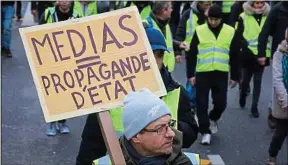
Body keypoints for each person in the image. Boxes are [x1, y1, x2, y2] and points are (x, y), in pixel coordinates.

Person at [76, 27, 198, 165]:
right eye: (148, 54)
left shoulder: (176, 91)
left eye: (159, 55)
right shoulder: (110, 95)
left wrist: (165, 129)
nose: (155, 61)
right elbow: (91, 144)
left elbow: (191, 135)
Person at [94, 89, 193, 165]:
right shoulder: (109, 162)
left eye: (169, 124)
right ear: (136, 137)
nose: (171, 133)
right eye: (160, 128)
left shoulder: (184, 162)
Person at [187, 4, 240, 145]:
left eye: (216, 19)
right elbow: (192, 54)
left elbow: (235, 55)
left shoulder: (230, 31)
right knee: (201, 104)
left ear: (221, 19)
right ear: (207, 17)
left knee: (221, 104)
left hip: (221, 73)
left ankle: (213, 117)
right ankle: (205, 131)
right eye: (211, 19)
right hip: (203, 72)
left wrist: (235, 76)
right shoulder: (200, 30)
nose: (213, 22)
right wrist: (190, 75)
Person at [40, 1, 82, 136]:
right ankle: (52, 122)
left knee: (66, 90)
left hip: (69, 59)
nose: (64, 1)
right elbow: (36, 34)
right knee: (52, 90)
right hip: (50, 59)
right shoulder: (48, 13)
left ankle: (63, 121)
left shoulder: (77, 14)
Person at [257, 1, 288, 129]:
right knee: (278, 84)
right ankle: (273, 111)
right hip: (280, 53)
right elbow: (264, 33)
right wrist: (261, 53)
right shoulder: (277, 10)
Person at [175, 1, 212, 107]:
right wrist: (178, 52)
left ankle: (200, 104)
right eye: (206, 4)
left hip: (208, 53)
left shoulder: (212, 15)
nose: (208, 7)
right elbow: (180, 32)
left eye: (210, 4)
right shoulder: (188, 14)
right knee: (192, 80)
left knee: (204, 81)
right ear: (199, 3)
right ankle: (190, 105)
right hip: (192, 53)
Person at [237, 1, 271, 118]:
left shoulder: (268, 16)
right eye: (257, 3)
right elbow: (239, 35)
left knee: (258, 81)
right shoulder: (243, 16)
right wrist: (244, 47)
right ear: (251, 4)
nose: (260, 5)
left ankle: (254, 107)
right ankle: (243, 93)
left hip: (262, 54)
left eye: (262, 2)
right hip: (248, 54)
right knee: (246, 79)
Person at [267, 28, 288, 165]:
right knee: (281, 134)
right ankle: (272, 154)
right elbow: (277, 78)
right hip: (284, 101)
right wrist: (286, 99)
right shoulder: (279, 54)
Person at [144, 1, 180, 72]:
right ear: (164, 10)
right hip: (155, 71)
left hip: (167, 70)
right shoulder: (146, 25)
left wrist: (178, 45)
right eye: (170, 8)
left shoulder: (166, 23)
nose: (172, 10)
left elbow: (166, 42)